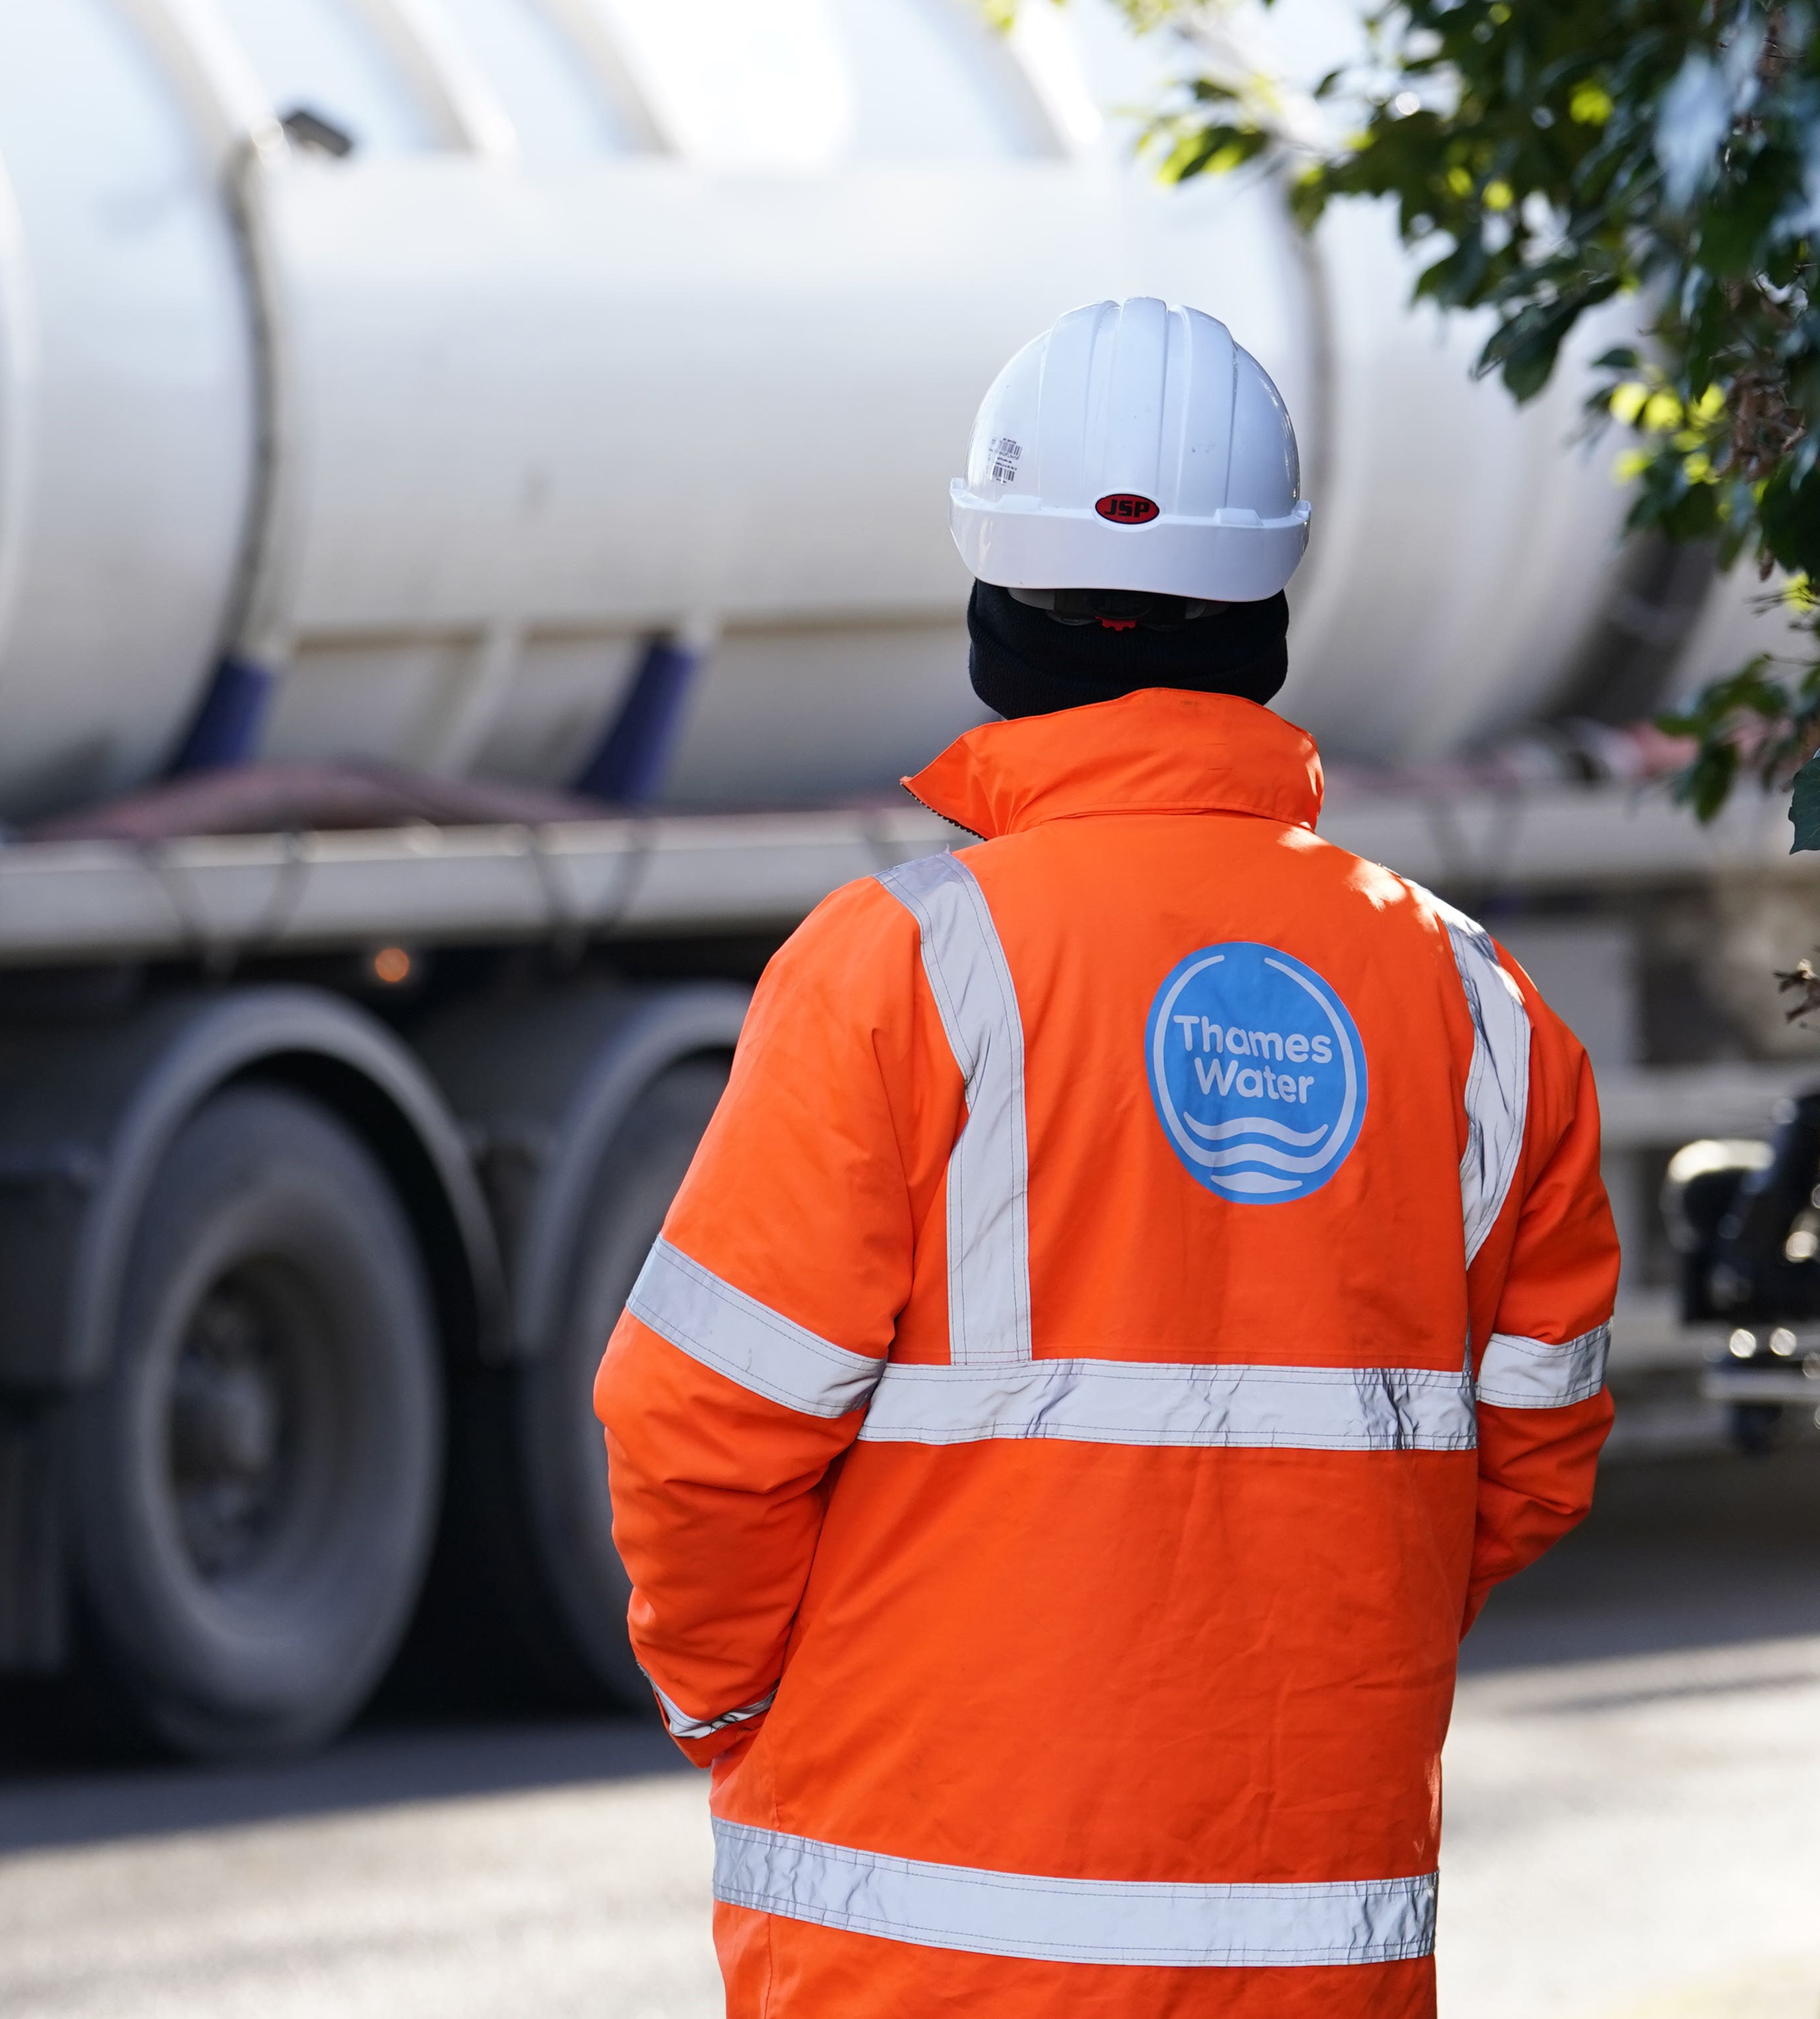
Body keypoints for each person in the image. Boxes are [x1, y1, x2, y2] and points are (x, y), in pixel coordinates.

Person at [596, 297, 1617, 2013]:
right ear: (1268, 617)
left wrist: (732, 1700)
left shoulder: (894, 969)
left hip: (918, 1957)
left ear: (995, 611)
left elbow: (696, 1426)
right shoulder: (1473, 1003)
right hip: (1308, 1958)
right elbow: (1527, 1452)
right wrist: (1300, 1612)